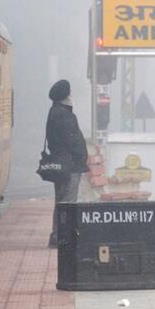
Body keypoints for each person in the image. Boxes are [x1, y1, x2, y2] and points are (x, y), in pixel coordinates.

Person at [45, 79, 89, 247]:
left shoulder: (55, 112)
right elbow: (72, 140)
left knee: (62, 200)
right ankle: (63, 236)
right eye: (69, 92)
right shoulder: (63, 114)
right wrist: (81, 158)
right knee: (67, 202)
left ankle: (59, 233)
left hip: (62, 164)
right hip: (69, 165)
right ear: (65, 96)